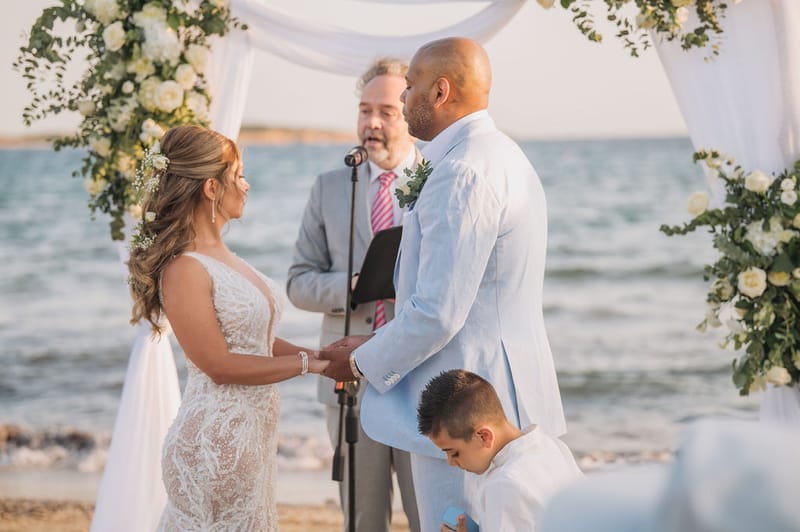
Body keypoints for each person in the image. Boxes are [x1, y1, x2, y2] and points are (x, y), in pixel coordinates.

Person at [320, 37, 566, 531]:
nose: (405, 98)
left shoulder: (462, 172)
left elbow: (439, 311)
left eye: (410, 87)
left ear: (440, 91)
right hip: (505, 394)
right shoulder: (502, 153)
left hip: (467, 410)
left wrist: (363, 359)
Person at [127, 124, 327, 531]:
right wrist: (310, 365)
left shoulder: (223, 256)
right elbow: (218, 363)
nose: (247, 186)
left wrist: (324, 355)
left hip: (250, 441)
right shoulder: (185, 268)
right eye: (238, 176)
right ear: (211, 189)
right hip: (213, 446)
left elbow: (258, 342)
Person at [287, 58, 421, 532]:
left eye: (386, 110)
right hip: (350, 378)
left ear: (411, 110)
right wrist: (351, 286)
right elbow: (298, 282)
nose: (373, 123)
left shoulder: (438, 178)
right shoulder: (328, 187)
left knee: (427, 510)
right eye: (365, 111)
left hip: (419, 376)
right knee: (362, 519)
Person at [418, 370, 582, 531]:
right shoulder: (551, 446)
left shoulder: (503, 485)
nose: (451, 462)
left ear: (484, 436)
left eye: (454, 453)